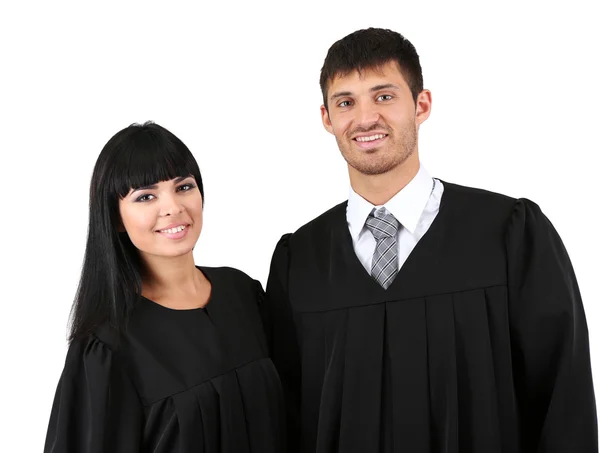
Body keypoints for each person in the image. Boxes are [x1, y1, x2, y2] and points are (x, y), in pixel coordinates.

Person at [263, 28, 597, 452]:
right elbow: (286, 417)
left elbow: (562, 401)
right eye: (346, 102)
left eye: (384, 96)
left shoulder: (508, 234)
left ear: (421, 105)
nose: (365, 119)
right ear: (327, 118)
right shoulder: (300, 261)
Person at [44, 122, 285, 452]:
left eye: (184, 187)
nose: (173, 207)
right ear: (115, 217)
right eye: (145, 196)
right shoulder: (108, 345)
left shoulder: (243, 294)